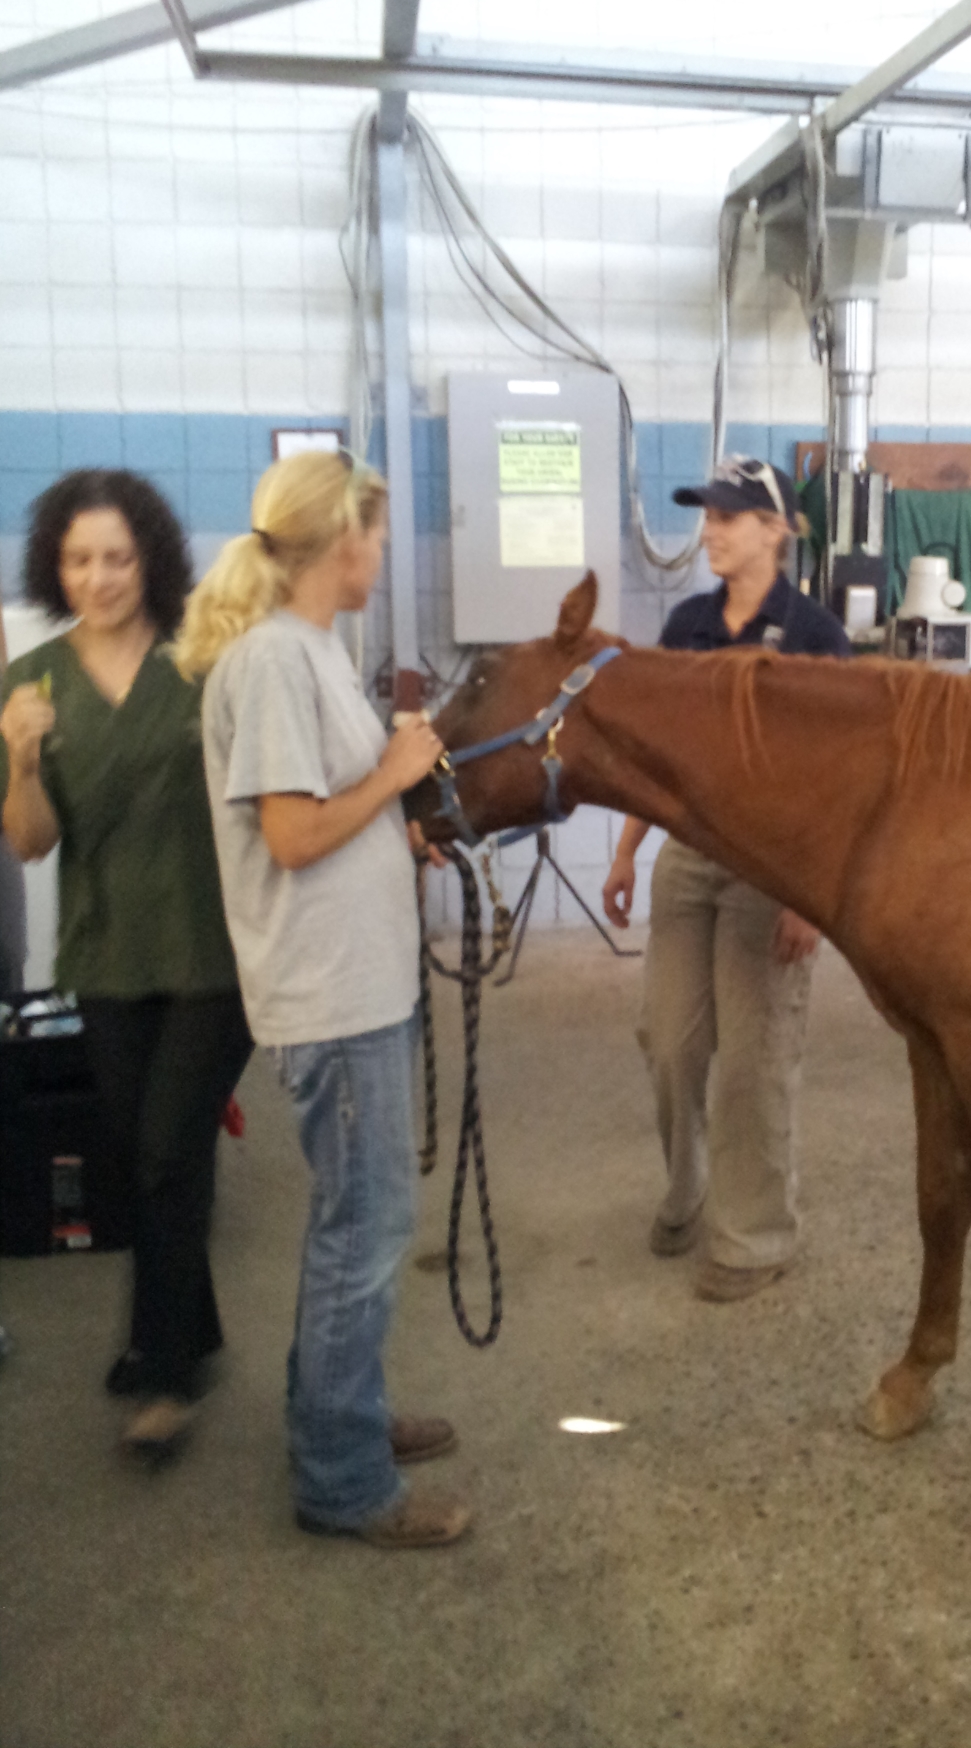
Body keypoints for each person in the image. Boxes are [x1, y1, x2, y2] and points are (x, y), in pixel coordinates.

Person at [176, 450, 468, 1550]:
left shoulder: (313, 654)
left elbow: (318, 815)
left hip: (360, 986)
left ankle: (335, 1411)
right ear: (341, 538)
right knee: (367, 1225)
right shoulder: (271, 664)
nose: (383, 553)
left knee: (359, 1219)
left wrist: (397, 834)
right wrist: (393, 777)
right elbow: (293, 836)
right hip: (331, 1000)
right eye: (377, 534)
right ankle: (341, 1478)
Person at [0, 469, 253, 1453]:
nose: (98, 576)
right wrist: (20, 760)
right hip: (105, 953)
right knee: (150, 1153)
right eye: (77, 558)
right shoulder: (32, 681)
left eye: (115, 555)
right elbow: (28, 842)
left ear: (149, 555)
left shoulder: (205, 659)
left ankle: (163, 1368)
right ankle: (190, 1322)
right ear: (52, 567)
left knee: (162, 1149)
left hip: (209, 950)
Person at [603, 456, 851, 1302]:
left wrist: (810, 895)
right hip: (687, 856)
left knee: (754, 1058)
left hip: (774, 868)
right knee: (670, 1043)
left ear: (775, 531)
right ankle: (689, 1188)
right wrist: (629, 849)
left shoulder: (816, 637)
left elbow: (839, 781)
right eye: (705, 514)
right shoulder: (686, 626)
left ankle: (756, 1237)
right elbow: (660, 761)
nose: (709, 529)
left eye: (727, 516)